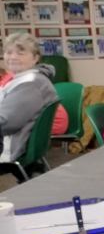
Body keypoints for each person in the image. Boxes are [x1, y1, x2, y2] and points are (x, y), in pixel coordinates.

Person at [0, 33, 64, 163]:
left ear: (35, 58)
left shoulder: (31, 84)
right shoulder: (24, 79)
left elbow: (5, 122)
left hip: (9, 149)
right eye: (8, 52)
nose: (12, 57)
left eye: (20, 53)